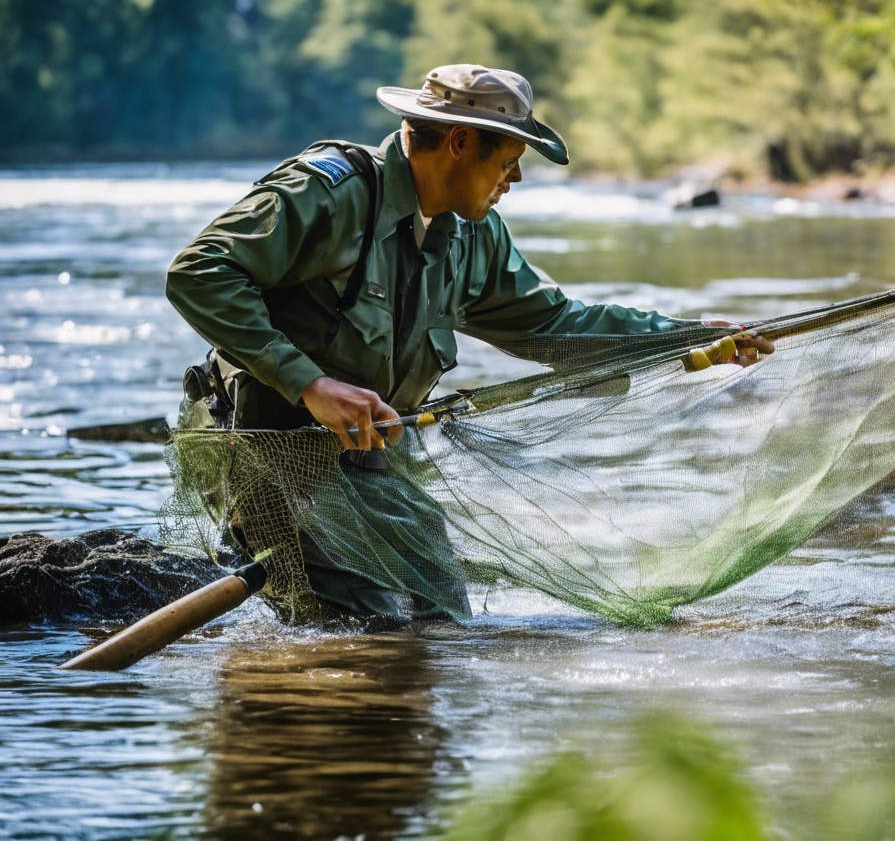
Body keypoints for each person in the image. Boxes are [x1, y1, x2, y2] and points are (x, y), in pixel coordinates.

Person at [166, 63, 772, 621]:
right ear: (458, 142)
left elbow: (554, 325)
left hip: (367, 464)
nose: (515, 177)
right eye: (508, 160)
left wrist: (686, 339)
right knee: (372, 627)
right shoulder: (333, 195)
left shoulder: (473, 234)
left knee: (442, 611)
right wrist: (311, 385)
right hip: (264, 455)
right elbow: (197, 273)